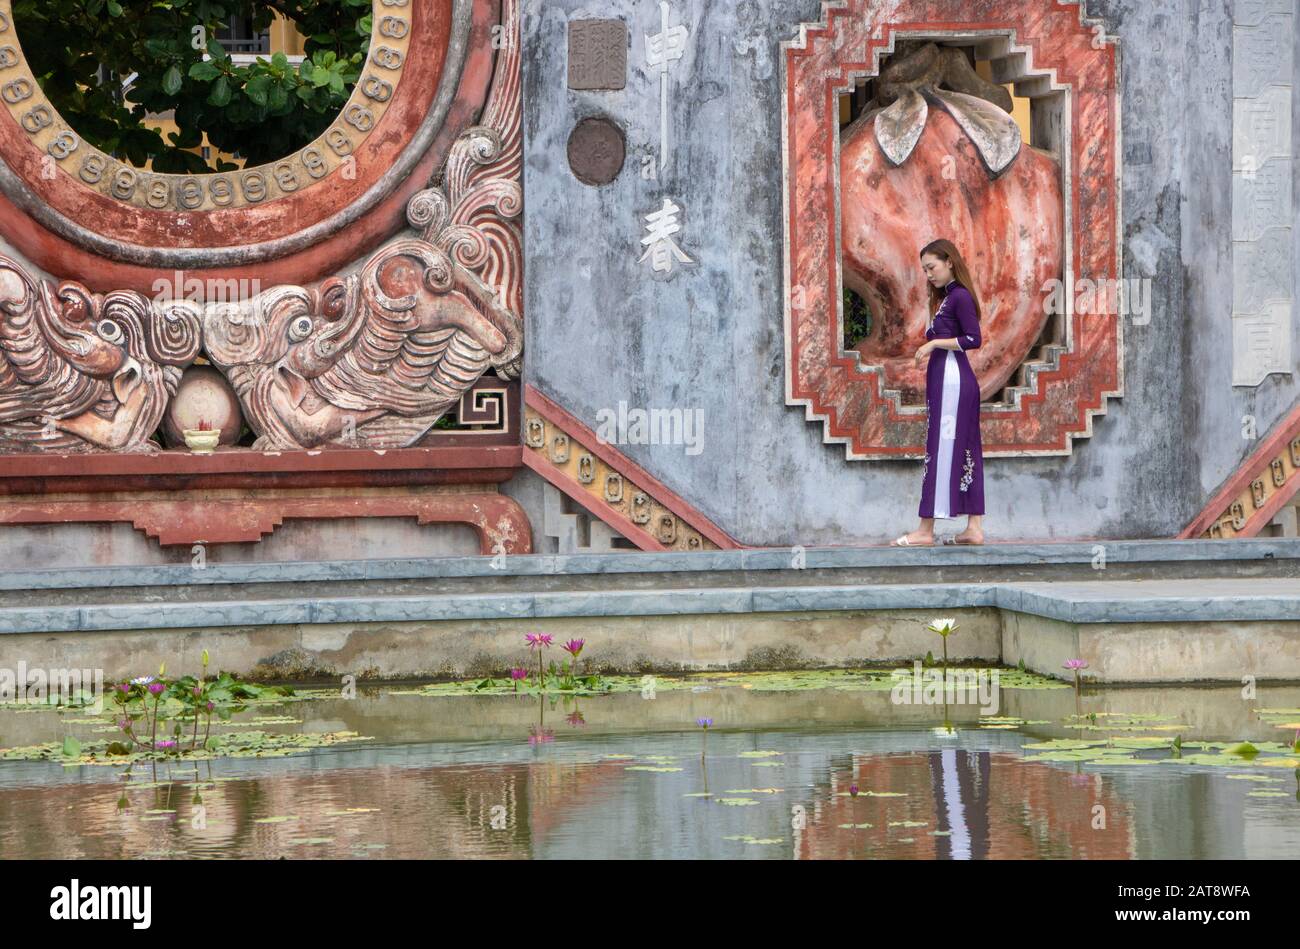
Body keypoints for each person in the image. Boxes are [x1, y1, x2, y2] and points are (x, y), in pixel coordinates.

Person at [893, 239, 985, 546]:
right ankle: (974, 528)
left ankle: (925, 530)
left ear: (949, 262)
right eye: (924, 270)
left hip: (953, 382)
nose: (928, 274)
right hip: (949, 381)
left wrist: (933, 343)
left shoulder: (959, 297)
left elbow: (973, 338)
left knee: (940, 448)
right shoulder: (948, 298)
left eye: (931, 267)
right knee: (967, 448)